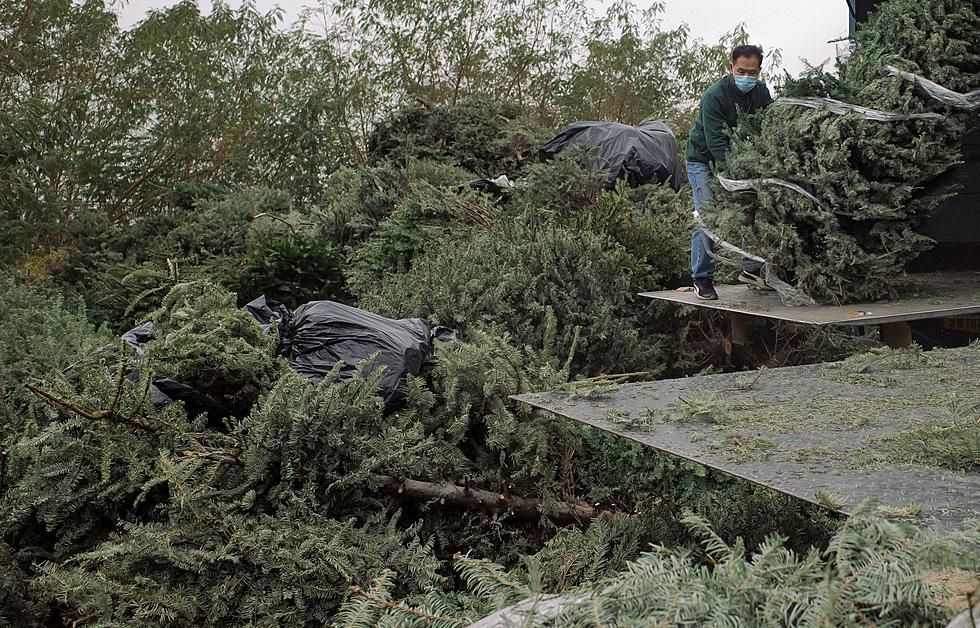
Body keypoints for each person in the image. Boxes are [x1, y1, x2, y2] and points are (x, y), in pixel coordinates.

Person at [686, 44, 773, 300]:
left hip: (738, 157)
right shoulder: (715, 96)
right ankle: (701, 278)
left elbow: (768, 125)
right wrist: (732, 174)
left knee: (752, 209)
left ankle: (751, 269)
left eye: (752, 72)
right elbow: (716, 142)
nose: (747, 76)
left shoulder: (761, 93)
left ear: (759, 70)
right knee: (708, 214)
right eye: (741, 71)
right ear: (731, 68)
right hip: (702, 158)